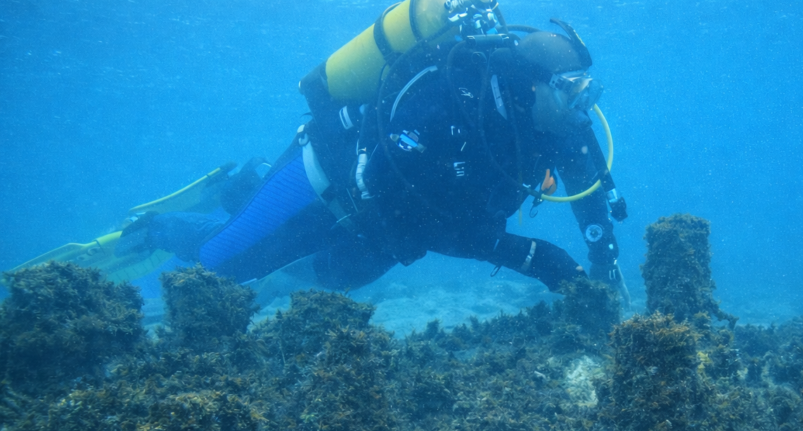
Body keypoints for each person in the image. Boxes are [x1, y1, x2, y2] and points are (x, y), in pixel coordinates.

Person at [121, 7, 630, 304]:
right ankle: (160, 226)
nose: (583, 106)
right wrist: (536, 257)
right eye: (569, 90)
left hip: (384, 231)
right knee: (218, 268)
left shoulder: (558, 124)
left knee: (327, 283)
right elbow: (428, 219)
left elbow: (587, 188)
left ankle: (244, 195)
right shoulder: (447, 104)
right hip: (328, 179)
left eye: (587, 91)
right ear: (529, 85)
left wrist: (603, 258)